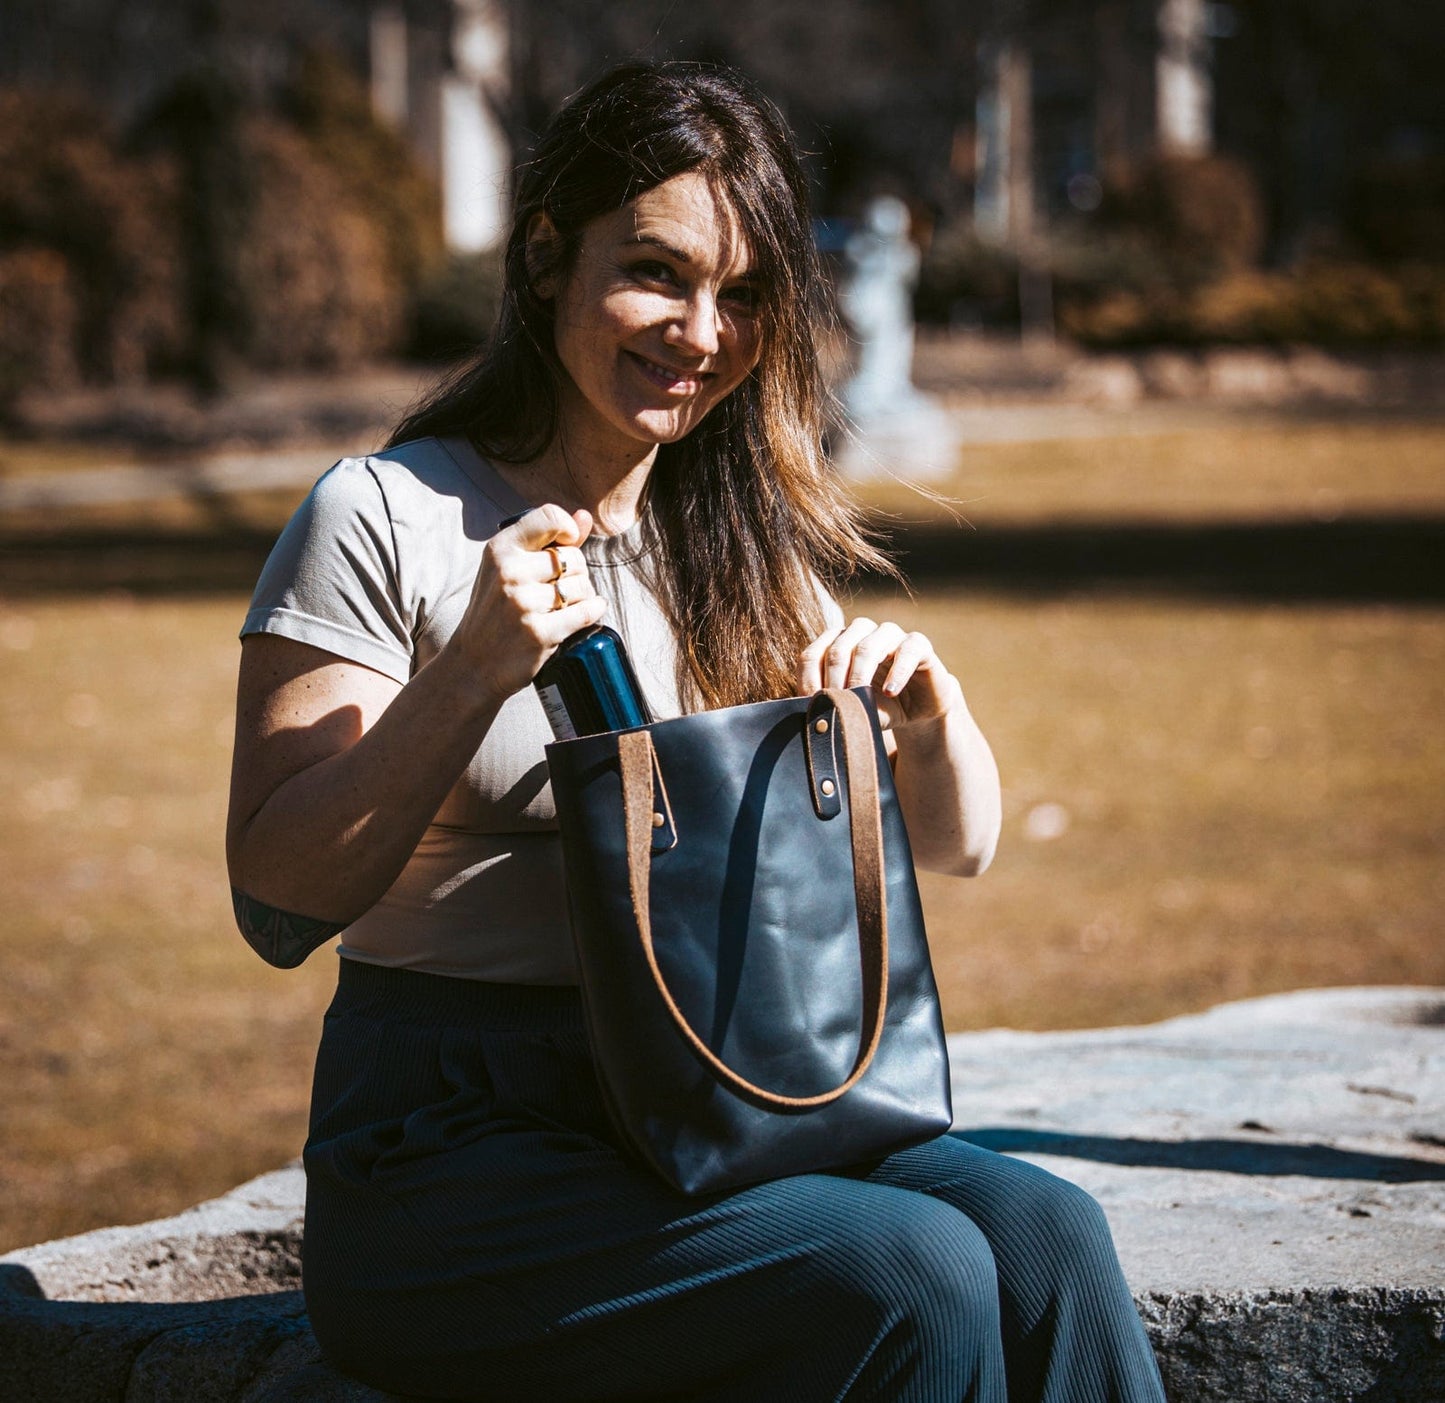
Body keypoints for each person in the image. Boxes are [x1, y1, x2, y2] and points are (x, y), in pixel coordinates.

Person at [226, 61, 1165, 1403]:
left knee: (1047, 1235)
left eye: (741, 296)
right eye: (658, 274)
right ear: (546, 257)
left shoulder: (730, 543)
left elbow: (956, 848)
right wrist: (475, 668)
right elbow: (275, 898)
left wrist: (923, 712)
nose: (700, 331)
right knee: (910, 1270)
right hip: (450, 1149)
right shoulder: (381, 515)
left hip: (712, 1096)